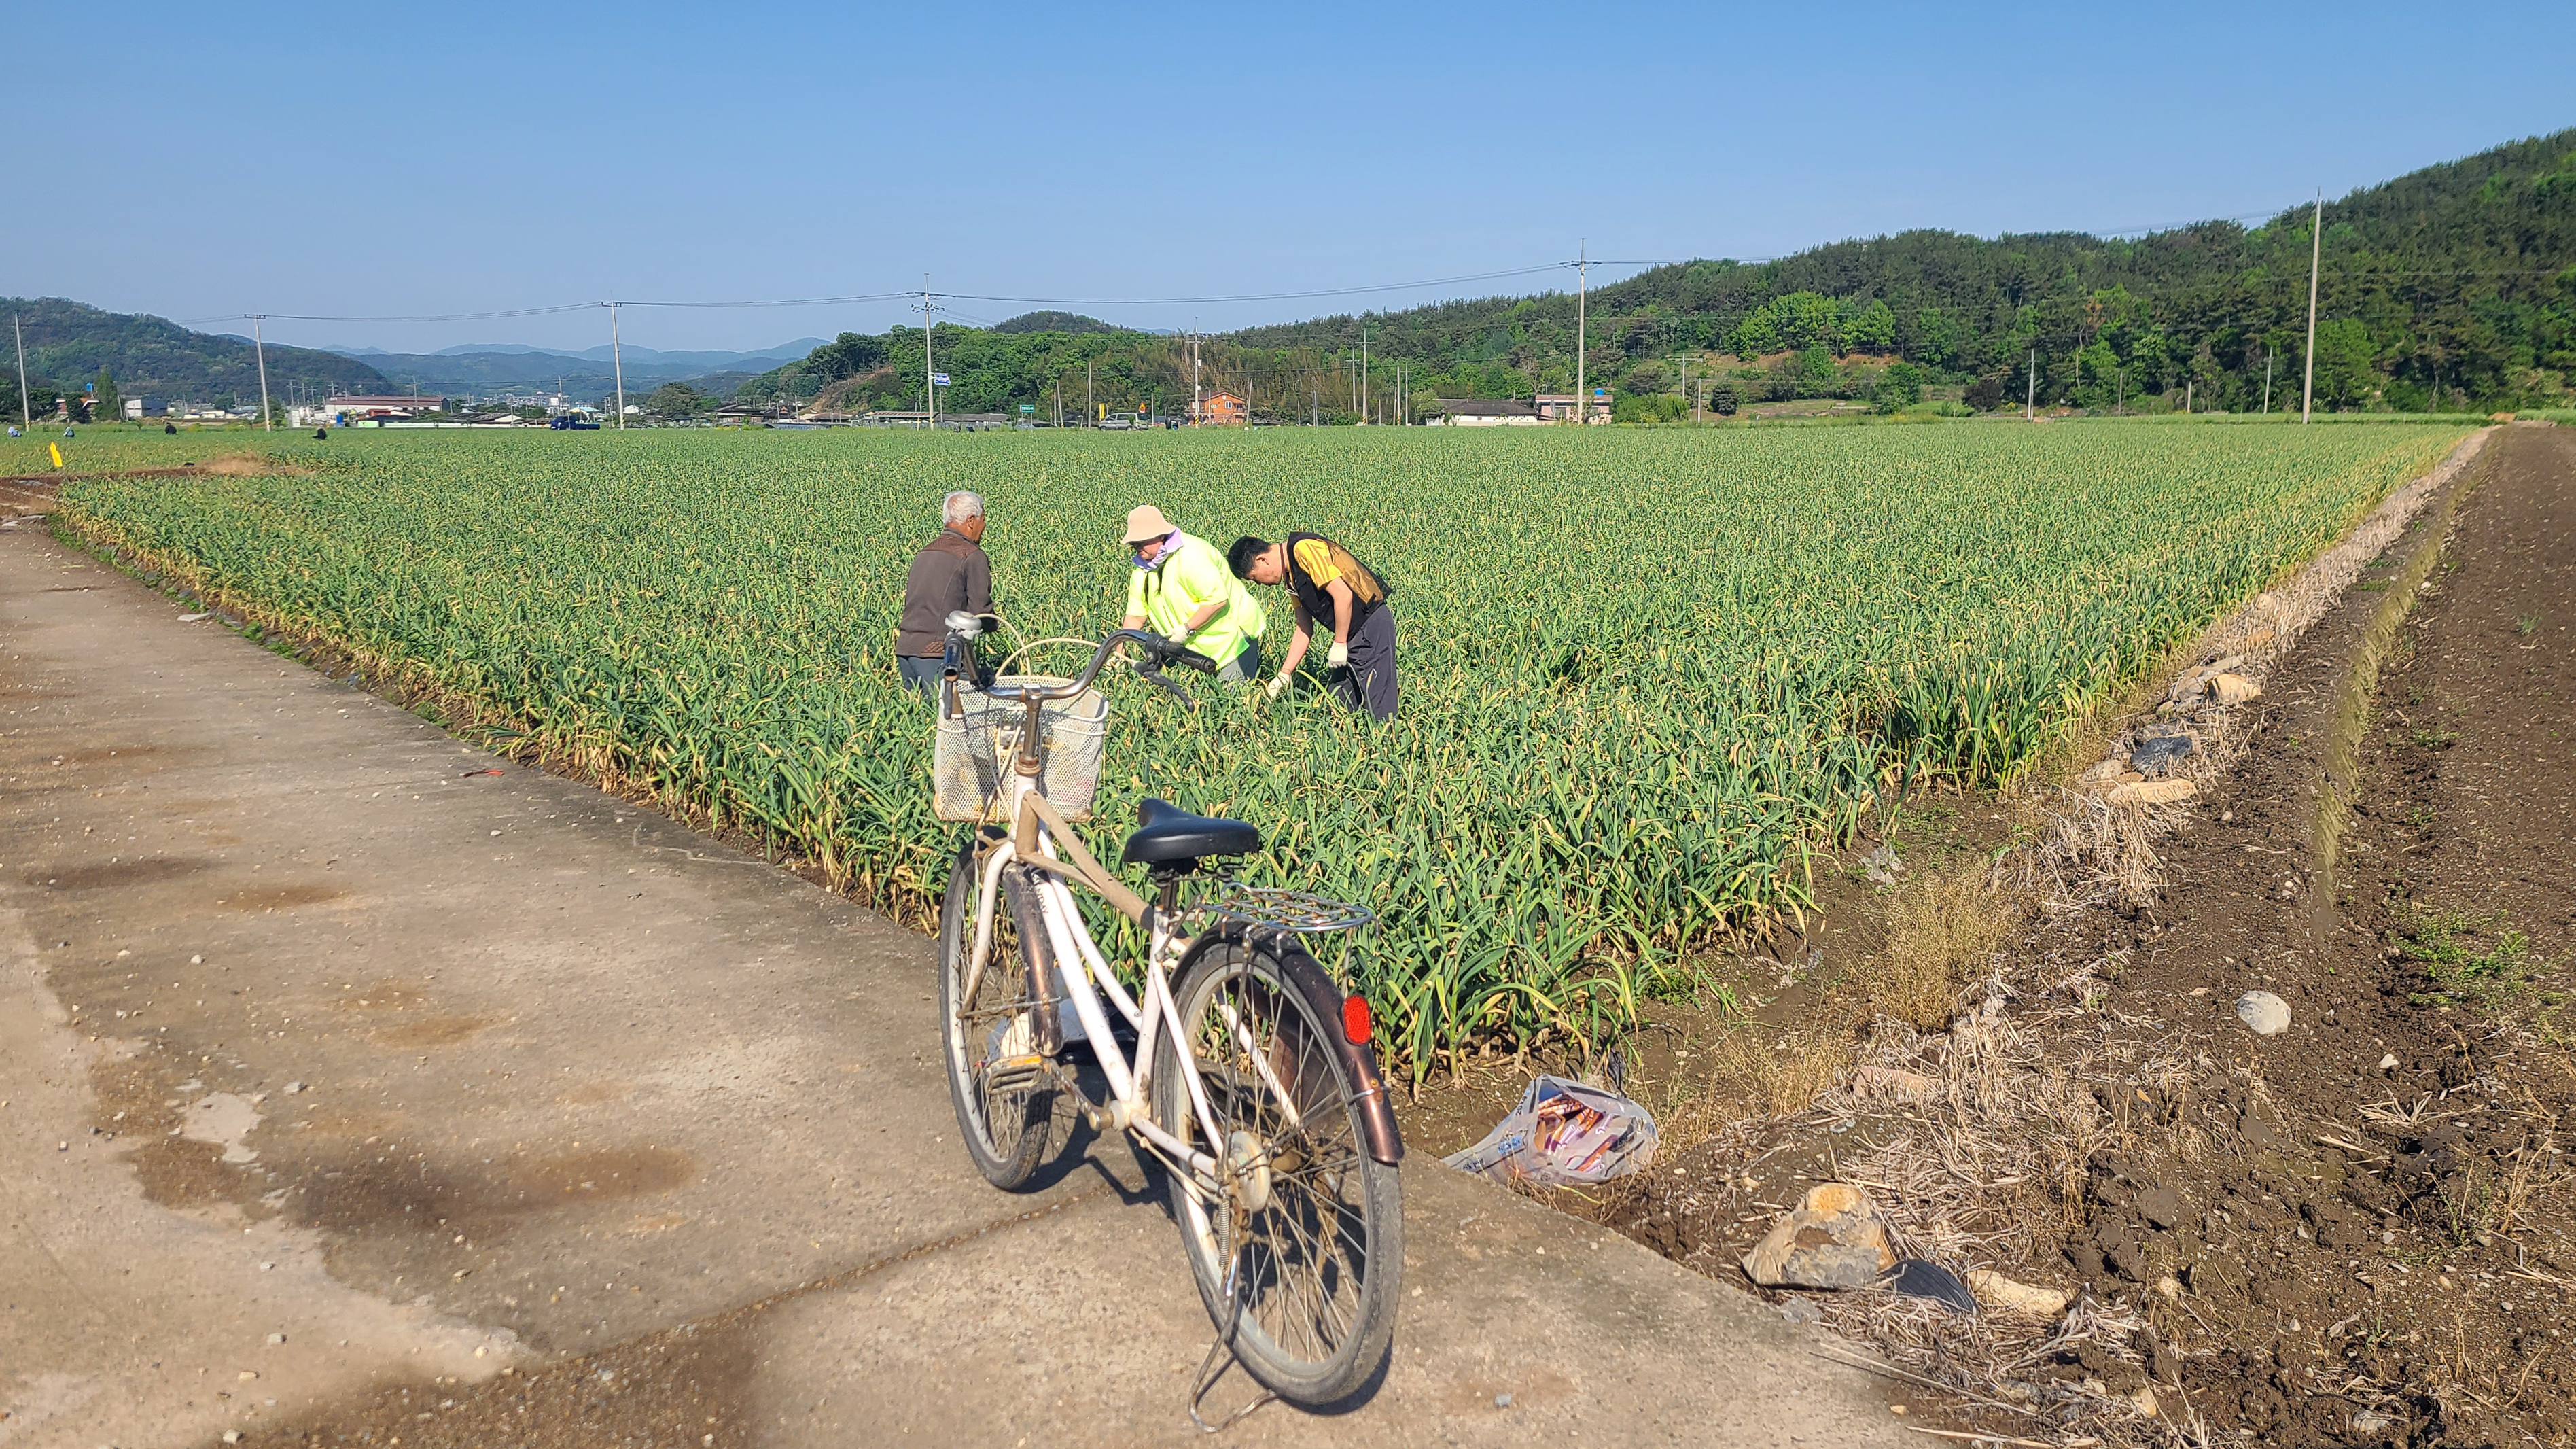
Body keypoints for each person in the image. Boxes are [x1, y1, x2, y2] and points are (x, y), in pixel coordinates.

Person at [1228, 533, 1398, 720]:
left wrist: (1340, 643)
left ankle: (1388, 736)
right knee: (1338, 703)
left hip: (1370, 626)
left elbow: (1343, 595)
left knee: (1380, 705)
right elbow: (1304, 628)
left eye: (1254, 578)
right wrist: (1284, 674)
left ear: (1262, 560)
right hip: (1350, 634)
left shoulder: (1304, 549)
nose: (1260, 584)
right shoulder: (1290, 579)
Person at [1119, 504, 1264, 684]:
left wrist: (1185, 629)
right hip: (1191, 646)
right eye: (1134, 543)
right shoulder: (1142, 569)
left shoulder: (1192, 555)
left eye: (1141, 541)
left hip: (1232, 638)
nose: (1137, 546)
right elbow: (1136, 615)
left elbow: (1216, 601)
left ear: (1160, 535)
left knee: (1233, 696)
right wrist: (1119, 653)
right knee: (1194, 696)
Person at [893, 491, 993, 697]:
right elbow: (981, 613)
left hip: (906, 651)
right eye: (983, 519)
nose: (984, 526)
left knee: (917, 714)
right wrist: (993, 625)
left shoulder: (925, 552)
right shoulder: (972, 556)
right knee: (954, 713)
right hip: (939, 656)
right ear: (971, 521)